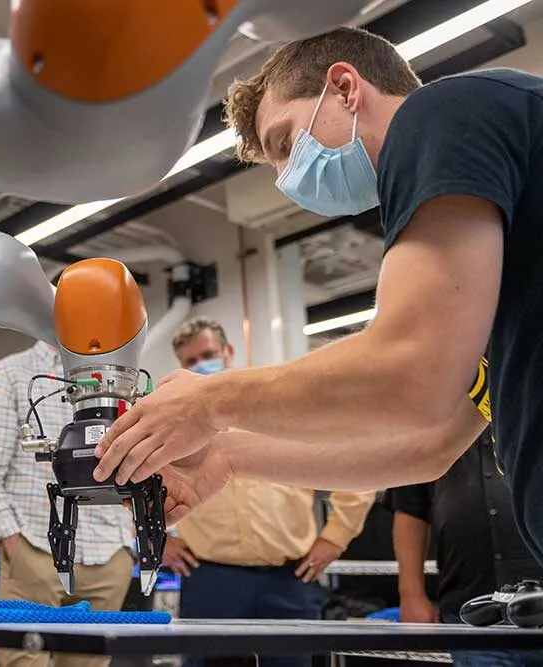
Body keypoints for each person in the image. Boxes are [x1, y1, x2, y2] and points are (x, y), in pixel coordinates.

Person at [91, 27, 543, 566]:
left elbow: (410, 374)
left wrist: (209, 402)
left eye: (285, 142)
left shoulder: (441, 111)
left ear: (346, 87)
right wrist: (227, 458)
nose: (287, 179)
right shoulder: (498, 274)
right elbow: (431, 444)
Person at [164, 317, 374, 667]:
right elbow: (133, 477)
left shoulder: (277, 405)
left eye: (208, 354)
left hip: (288, 579)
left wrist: (335, 538)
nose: (201, 364)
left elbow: (354, 463)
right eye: (191, 361)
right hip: (211, 579)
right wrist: (156, 540)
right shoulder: (174, 423)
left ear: (228, 352)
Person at [0, 340, 135, 667]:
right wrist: (13, 541)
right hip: (35, 550)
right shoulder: (13, 374)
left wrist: (127, 545)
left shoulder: (122, 378)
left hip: (108, 558)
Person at [385, 429, 543, 666]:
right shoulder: (431, 426)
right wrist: (411, 594)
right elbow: (410, 511)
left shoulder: (529, 410)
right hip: (473, 613)